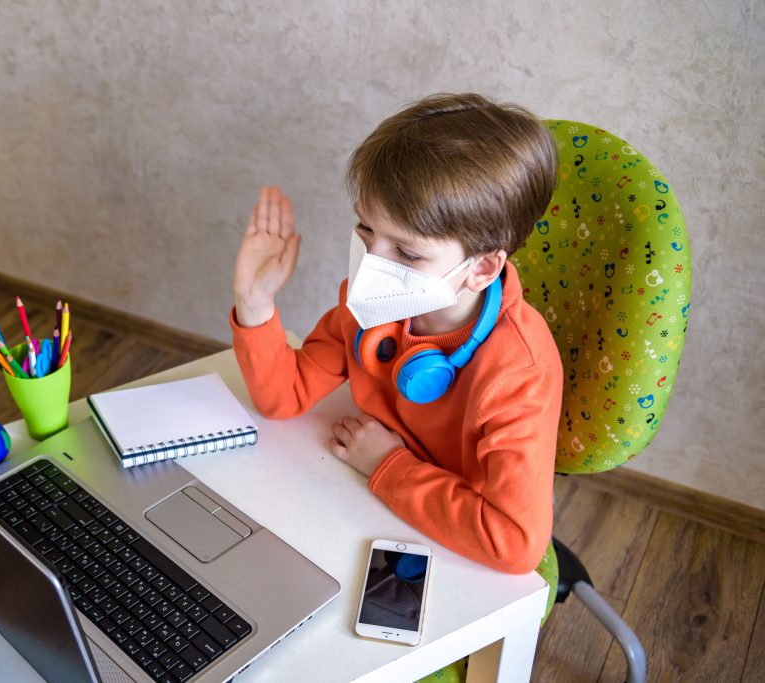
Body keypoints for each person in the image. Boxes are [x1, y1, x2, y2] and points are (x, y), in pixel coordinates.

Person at [230, 93, 562, 574]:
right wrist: (255, 303)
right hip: (367, 505)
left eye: (406, 254)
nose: (372, 267)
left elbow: (514, 544)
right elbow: (283, 396)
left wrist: (387, 465)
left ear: (484, 267)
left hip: (453, 539)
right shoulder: (374, 303)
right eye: (366, 230)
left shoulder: (518, 371)